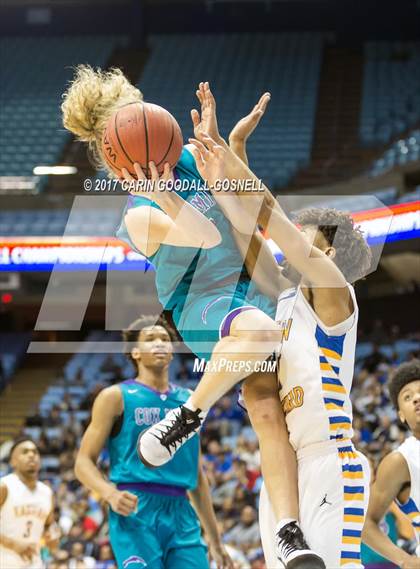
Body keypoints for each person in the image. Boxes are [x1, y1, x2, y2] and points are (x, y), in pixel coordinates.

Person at [62, 66, 324, 569]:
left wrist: (226, 151)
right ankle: (188, 417)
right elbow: (204, 237)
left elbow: (246, 212)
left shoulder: (191, 157)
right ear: (120, 163)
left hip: (258, 280)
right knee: (262, 334)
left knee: (269, 412)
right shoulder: (137, 215)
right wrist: (164, 193)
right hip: (206, 303)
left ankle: (290, 536)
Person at [140, 90, 373, 567]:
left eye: (307, 233)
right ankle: (287, 527)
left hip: (330, 461)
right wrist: (219, 171)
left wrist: (229, 156)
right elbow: (247, 232)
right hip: (283, 471)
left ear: (327, 252)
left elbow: (268, 213)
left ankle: (190, 416)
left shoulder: (334, 291)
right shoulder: (281, 296)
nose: (295, 234)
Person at [74, 315, 232, 569]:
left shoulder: (190, 400)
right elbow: (83, 462)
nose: (160, 343)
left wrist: (215, 540)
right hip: (135, 507)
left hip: (182, 512)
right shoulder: (115, 396)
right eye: (150, 339)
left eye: (165, 339)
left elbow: (197, 475)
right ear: (135, 352)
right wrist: (109, 494)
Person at [363, 359, 420, 568]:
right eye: (407, 397)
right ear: (401, 415)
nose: (416, 398)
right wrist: (405, 561)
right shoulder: (401, 461)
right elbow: (366, 524)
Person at [0, 438, 60, 568]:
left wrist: (53, 534)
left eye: (35, 452)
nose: (32, 455)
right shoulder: (4, 486)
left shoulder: (47, 492)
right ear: (13, 462)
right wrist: (13, 544)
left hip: (33, 563)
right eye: (25, 452)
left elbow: (49, 525)